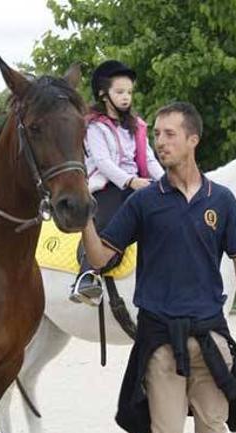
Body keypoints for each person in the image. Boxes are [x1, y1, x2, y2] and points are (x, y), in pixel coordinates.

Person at [80, 101, 236, 433]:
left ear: (192, 140)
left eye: (169, 134)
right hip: (162, 344)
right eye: (156, 135)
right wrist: (84, 217)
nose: (160, 143)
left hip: (211, 340)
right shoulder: (144, 202)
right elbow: (101, 258)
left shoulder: (222, 200)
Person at [69, 60, 164, 305]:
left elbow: (150, 159)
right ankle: (88, 274)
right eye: (119, 92)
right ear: (104, 94)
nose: (126, 98)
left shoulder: (136, 126)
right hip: (107, 186)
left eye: (129, 92)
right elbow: (103, 162)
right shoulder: (94, 126)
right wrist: (131, 181)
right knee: (107, 216)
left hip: (139, 184)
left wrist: (169, 182)